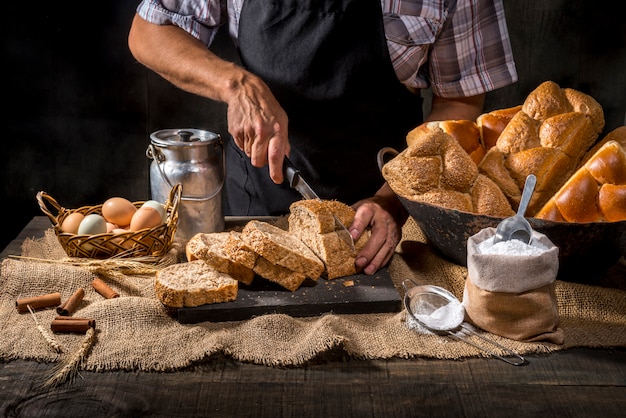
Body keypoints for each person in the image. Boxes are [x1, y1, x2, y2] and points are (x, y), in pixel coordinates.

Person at [128, 0, 518, 275]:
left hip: (387, 229)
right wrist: (236, 85)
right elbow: (149, 31)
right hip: (254, 212)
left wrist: (392, 201)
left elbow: (460, 104)